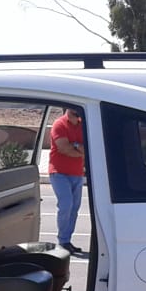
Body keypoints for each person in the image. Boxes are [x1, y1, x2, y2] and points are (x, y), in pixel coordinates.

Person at [48, 106, 86, 255]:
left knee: (74, 208)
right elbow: (64, 148)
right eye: (73, 113)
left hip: (76, 173)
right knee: (66, 205)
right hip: (59, 172)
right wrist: (79, 149)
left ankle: (66, 240)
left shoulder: (83, 124)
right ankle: (62, 240)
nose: (76, 116)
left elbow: (88, 147)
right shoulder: (59, 124)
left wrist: (75, 147)